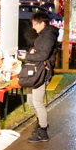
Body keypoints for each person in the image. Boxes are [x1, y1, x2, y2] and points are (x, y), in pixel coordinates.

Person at [19, 12, 59, 143]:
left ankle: (43, 131)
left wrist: (27, 56)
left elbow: (44, 55)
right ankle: (41, 124)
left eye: (35, 24)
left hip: (42, 71)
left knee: (37, 102)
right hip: (38, 70)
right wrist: (32, 49)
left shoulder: (48, 35)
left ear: (42, 23)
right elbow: (40, 50)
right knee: (31, 100)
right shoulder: (44, 34)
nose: (33, 27)